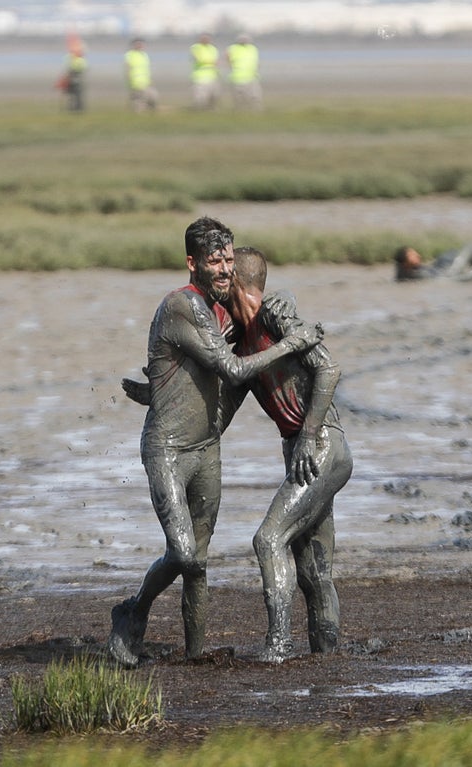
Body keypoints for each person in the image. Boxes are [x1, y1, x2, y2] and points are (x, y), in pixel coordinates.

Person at [106, 218, 324, 669]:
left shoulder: (222, 311)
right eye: (215, 261)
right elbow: (236, 371)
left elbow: (215, 365)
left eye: (228, 260)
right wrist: (293, 343)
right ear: (192, 263)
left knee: (199, 565)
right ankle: (133, 610)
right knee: (183, 553)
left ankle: (195, 658)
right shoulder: (181, 307)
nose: (225, 270)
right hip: (167, 450)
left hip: (207, 449)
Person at [393, 244, 472, 282]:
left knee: (450, 253)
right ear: (405, 263)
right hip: (450, 273)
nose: (417, 255)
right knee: (470, 247)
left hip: (440, 269)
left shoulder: (414, 271)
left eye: (415, 253)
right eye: (412, 255)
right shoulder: (411, 274)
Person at [226, 34, 262, 111]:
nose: (244, 41)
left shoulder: (252, 48)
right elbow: (227, 58)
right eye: (242, 39)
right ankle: (240, 111)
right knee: (240, 98)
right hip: (238, 77)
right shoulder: (233, 48)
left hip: (252, 76)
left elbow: (255, 61)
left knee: (255, 96)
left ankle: (255, 111)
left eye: (246, 39)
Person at [124, 37, 158, 113]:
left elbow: (147, 70)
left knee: (153, 97)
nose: (140, 46)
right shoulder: (130, 55)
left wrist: (150, 81)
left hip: (146, 82)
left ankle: (149, 114)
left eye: (141, 44)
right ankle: (138, 116)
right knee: (139, 102)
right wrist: (129, 81)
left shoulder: (144, 55)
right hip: (135, 83)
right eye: (138, 44)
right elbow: (127, 68)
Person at [189, 33, 221, 111]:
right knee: (200, 97)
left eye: (207, 38)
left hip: (212, 76)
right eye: (203, 38)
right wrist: (211, 62)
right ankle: (199, 110)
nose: (206, 40)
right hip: (200, 77)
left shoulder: (213, 48)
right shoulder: (196, 47)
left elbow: (216, 61)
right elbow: (199, 59)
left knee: (214, 96)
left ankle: (211, 110)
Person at [60, 42, 87, 113]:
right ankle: (76, 107)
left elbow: (69, 68)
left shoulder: (73, 58)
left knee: (74, 94)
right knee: (75, 94)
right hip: (74, 77)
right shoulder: (78, 59)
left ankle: (75, 107)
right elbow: (84, 68)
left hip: (74, 77)